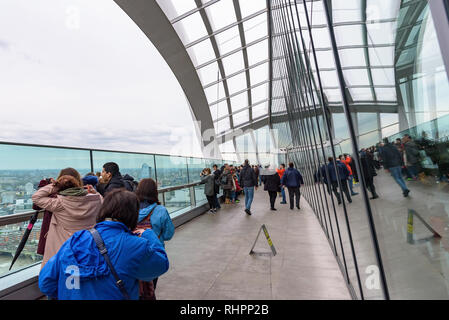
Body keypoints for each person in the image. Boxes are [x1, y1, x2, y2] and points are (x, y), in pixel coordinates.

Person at [38, 189, 169, 300]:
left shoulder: (75, 240)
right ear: (133, 215)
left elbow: (46, 283)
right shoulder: (135, 245)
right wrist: (148, 234)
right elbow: (160, 265)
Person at [32, 172, 103, 268]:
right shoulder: (95, 200)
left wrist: (55, 186)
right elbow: (102, 201)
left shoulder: (59, 204)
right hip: (88, 247)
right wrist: (95, 192)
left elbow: (36, 197)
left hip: (64, 249)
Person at [135, 178, 175, 299]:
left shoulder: (130, 208)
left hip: (133, 252)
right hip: (153, 253)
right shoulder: (161, 210)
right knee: (151, 284)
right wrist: (157, 237)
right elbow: (169, 234)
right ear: (155, 192)